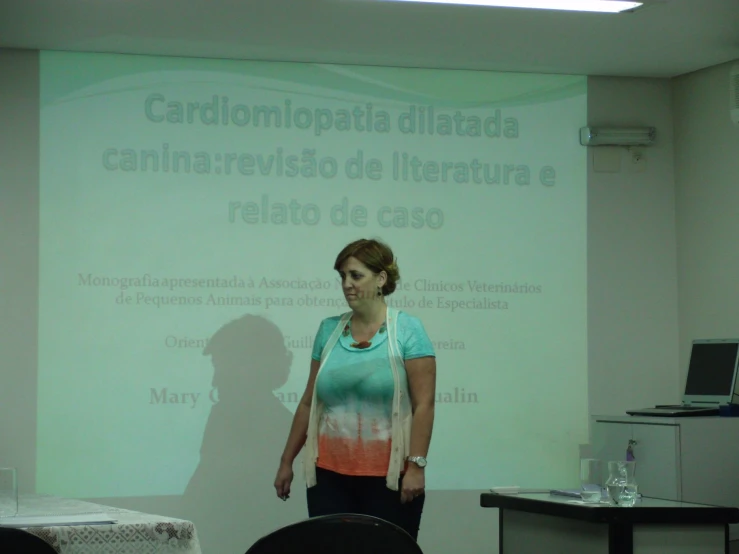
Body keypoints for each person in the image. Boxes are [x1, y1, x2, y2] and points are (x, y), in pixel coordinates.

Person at [274, 238, 437, 541]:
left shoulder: (408, 330)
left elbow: (424, 405)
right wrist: (286, 461)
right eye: (342, 277)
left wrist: (416, 467)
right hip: (329, 478)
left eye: (356, 275)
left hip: (389, 480)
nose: (347, 284)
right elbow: (309, 402)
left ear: (381, 279)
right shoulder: (329, 329)